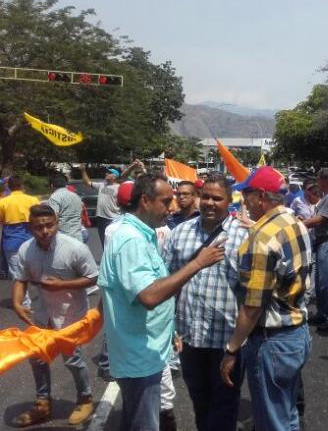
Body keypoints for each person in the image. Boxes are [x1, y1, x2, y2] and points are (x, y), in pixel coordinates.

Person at [98, 173, 226, 430]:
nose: (173, 207)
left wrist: (170, 329)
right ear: (145, 201)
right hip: (139, 356)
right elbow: (150, 295)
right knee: (143, 423)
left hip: (145, 348)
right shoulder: (131, 240)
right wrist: (197, 263)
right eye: (166, 201)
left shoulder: (139, 233)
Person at [220, 166, 312, 431]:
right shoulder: (296, 223)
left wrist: (232, 349)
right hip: (297, 332)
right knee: (287, 411)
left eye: (246, 195)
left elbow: (252, 307)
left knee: (273, 421)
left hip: (273, 341)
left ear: (261, 196)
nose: (244, 201)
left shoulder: (260, 238)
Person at [163, 174, 248, 431]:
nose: (210, 203)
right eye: (206, 197)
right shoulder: (179, 233)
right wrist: (170, 329)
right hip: (189, 339)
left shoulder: (245, 237)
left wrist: (239, 345)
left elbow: (252, 297)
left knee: (224, 406)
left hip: (227, 343)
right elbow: (168, 283)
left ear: (229, 201)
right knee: (200, 402)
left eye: (217, 198)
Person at [11, 204, 98, 427]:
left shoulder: (75, 248)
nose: (45, 231)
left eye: (49, 225)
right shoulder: (25, 249)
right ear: (30, 228)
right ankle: (43, 404)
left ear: (57, 224)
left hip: (71, 314)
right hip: (42, 315)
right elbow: (20, 278)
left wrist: (63, 285)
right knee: (37, 358)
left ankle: (85, 398)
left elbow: (93, 277)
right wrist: (17, 302)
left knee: (73, 360)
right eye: (39, 227)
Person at [304, 167, 328, 331]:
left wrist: (298, 223)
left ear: (325, 180)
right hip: (322, 242)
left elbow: (319, 220)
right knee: (321, 282)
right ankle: (323, 313)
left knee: (327, 282)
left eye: (319, 179)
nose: (317, 182)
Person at [0, 176, 40, 293]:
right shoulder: (33, 200)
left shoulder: (3, 202)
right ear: (22, 186)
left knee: (16, 273)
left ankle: (23, 301)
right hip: (32, 240)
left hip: (12, 241)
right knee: (36, 270)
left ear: (8, 187)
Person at [80, 164, 121, 246]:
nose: (106, 174)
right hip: (101, 219)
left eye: (109, 173)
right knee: (104, 243)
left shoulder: (119, 187)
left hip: (113, 219)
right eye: (106, 172)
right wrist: (83, 170)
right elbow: (87, 182)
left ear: (115, 176)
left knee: (113, 244)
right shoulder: (102, 185)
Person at [48, 173, 83, 242]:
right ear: (65, 185)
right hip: (78, 236)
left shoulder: (54, 197)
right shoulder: (76, 196)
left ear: (52, 185)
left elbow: (54, 217)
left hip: (64, 237)